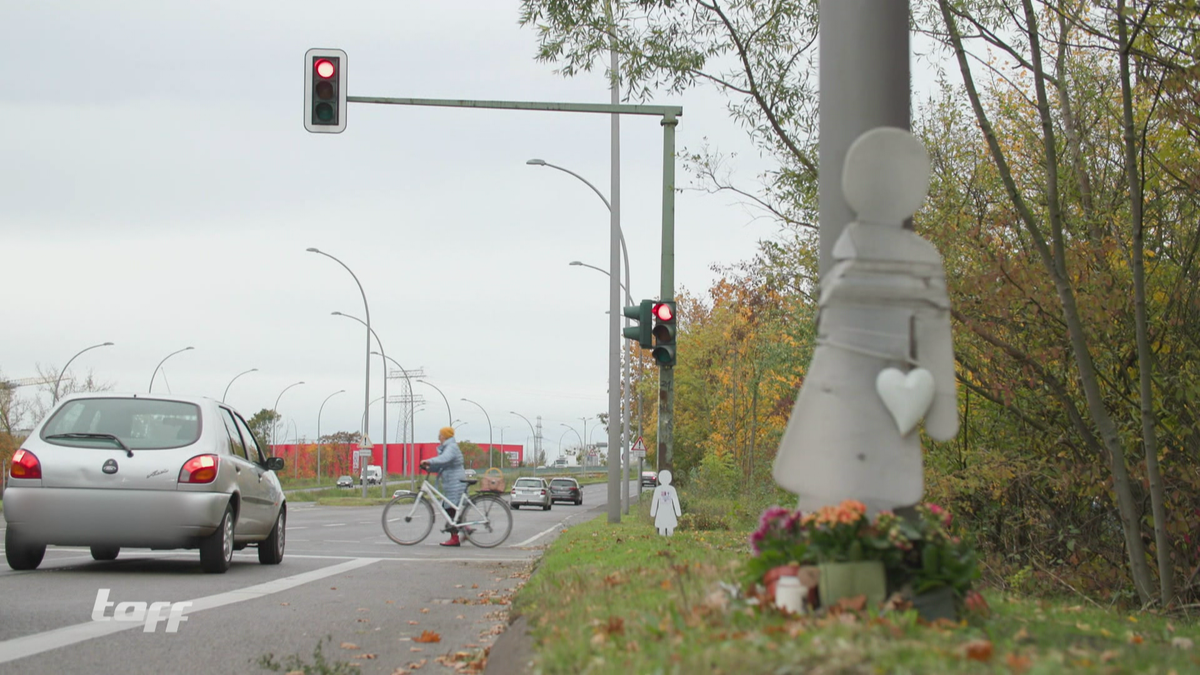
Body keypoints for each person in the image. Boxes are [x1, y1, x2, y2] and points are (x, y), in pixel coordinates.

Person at [420, 426, 468, 547]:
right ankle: (464, 529)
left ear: (445, 436)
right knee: (451, 508)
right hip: (451, 481)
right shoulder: (448, 447)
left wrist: (429, 461)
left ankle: (458, 535)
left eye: (440, 435)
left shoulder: (451, 447)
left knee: (449, 508)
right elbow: (443, 464)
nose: (439, 438)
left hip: (455, 481)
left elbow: (444, 459)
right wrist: (429, 467)